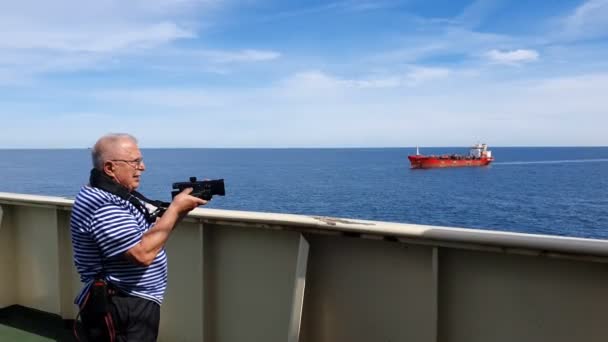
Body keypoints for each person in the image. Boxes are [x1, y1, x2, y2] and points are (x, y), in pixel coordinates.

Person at [70, 133, 206, 341]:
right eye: (135, 162)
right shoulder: (104, 204)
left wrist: (181, 209)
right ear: (109, 168)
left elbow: (153, 235)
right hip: (122, 305)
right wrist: (176, 207)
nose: (142, 168)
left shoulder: (114, 195)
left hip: (131, 301)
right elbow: (142, 254)